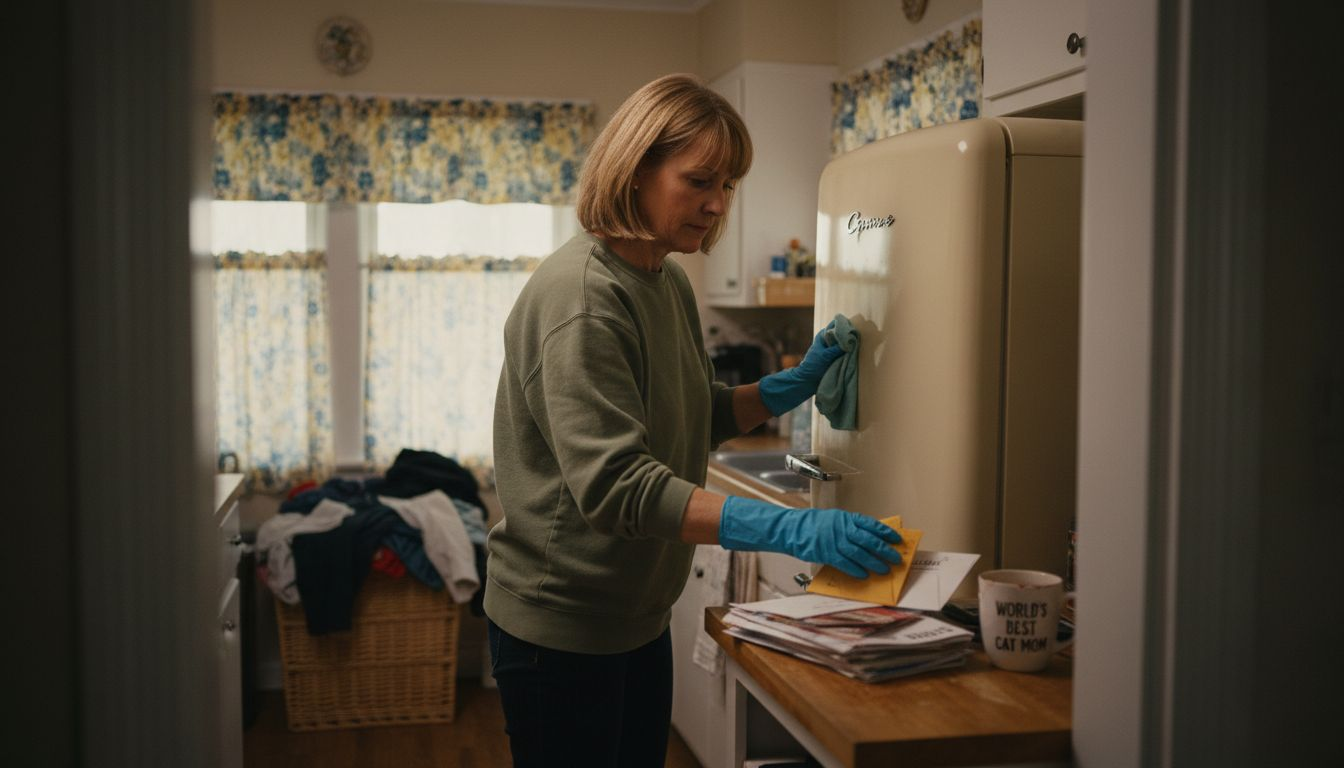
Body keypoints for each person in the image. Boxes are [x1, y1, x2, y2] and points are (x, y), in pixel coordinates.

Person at [484, 73, 902, 768]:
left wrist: (789, 385)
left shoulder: (663, 278)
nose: (717, 204)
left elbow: (694, 411)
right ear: (635, 170)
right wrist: (791, 527)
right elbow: (619, 486)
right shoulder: (585, 296)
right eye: (700, 180)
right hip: (561, 625)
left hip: (635, 615)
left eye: (730, 184)